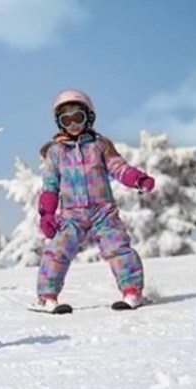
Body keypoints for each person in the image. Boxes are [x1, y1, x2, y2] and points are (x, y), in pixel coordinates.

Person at [36, 89, 156, 310]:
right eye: (67, 120)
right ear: (59, 123)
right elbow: (50, 185)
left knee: (118, 248)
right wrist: (47, 214)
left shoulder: (99, 146)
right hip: (72, 215)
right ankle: (47, 296)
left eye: (78, 118)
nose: (73, 125)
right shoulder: (55, 152)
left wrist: (137, 179)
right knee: (57, 252)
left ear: (88, 117)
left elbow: (119, 168)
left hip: (103, 212)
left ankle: (132, 291)